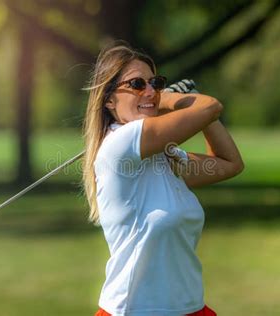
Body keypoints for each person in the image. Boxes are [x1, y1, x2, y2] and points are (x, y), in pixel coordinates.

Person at [82, 41, 244, 316]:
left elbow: (230, 163)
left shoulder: (165, 157)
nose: (150, 91)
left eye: (155, 83)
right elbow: (210, 106)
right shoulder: (119, 144)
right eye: (137, 84)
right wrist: (168, 99)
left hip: (190, 308)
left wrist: (183, 100)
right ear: (109, 100)